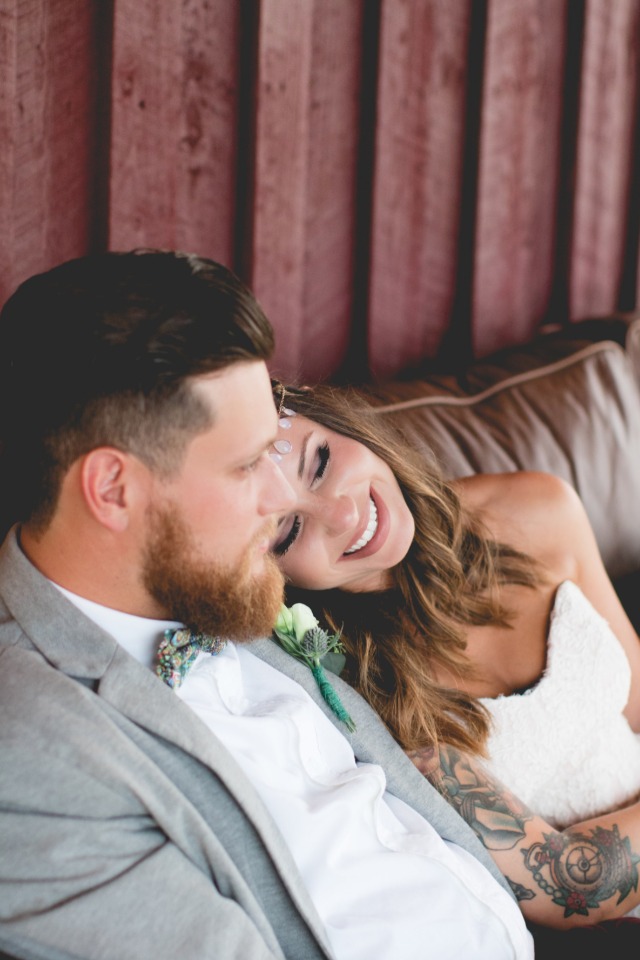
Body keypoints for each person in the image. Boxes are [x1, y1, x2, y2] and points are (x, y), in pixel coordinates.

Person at [0, 251, 538, 960]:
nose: (285, 497)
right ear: (114, 491)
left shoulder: (221, 581)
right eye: (249, 463)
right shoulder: (33, 754)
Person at [269, 381, 640, 926]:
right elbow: (572, 884)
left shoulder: (536, 507)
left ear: (338, 419)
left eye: (320, 461)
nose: (343, 515)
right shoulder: (347, 692)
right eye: (289, 529)